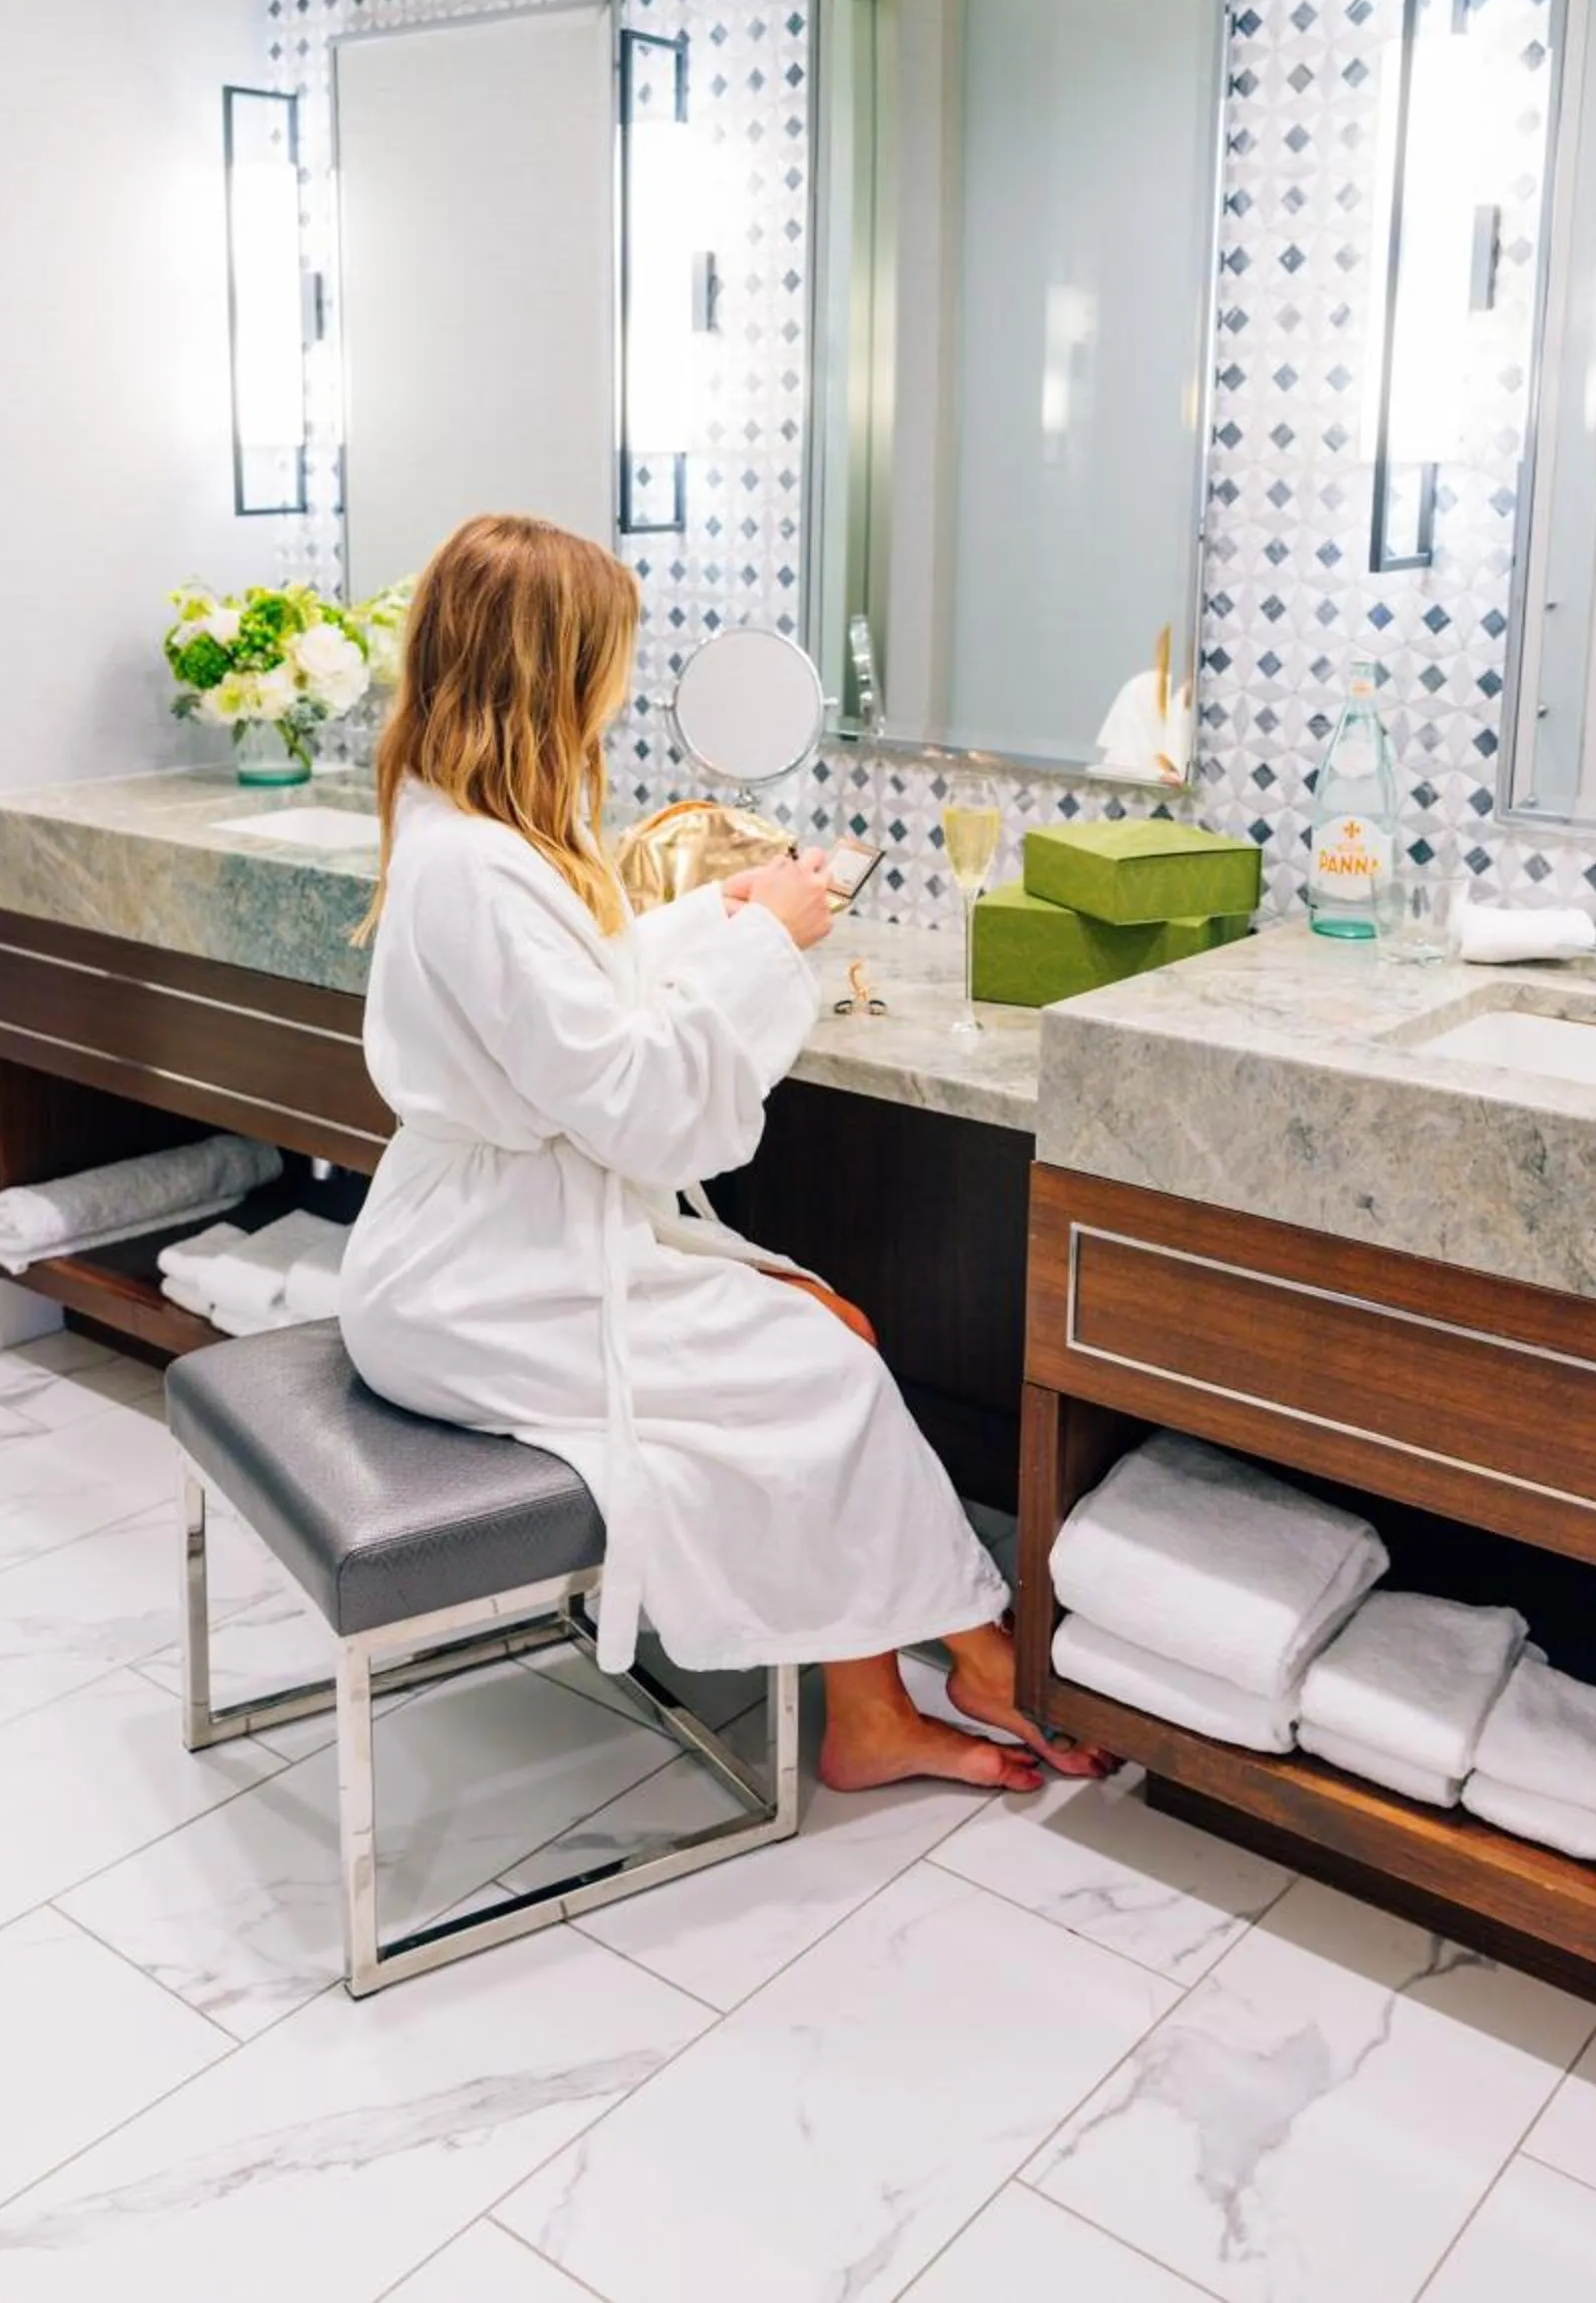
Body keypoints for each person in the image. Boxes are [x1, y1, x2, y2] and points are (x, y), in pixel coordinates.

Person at [340, 512, 1109, 1792]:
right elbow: (633, 1098)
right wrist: (765, 948)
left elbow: (582, 1012)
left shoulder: (469, 836)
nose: (619, 689)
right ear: (553, 673)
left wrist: (727, 913)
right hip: (478, 1284)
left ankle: (879, 1706)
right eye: (609, 660)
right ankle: (976, 1655)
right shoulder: (476, 867)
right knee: (824, 1362)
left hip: (489, 1247)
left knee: (825, 1326)